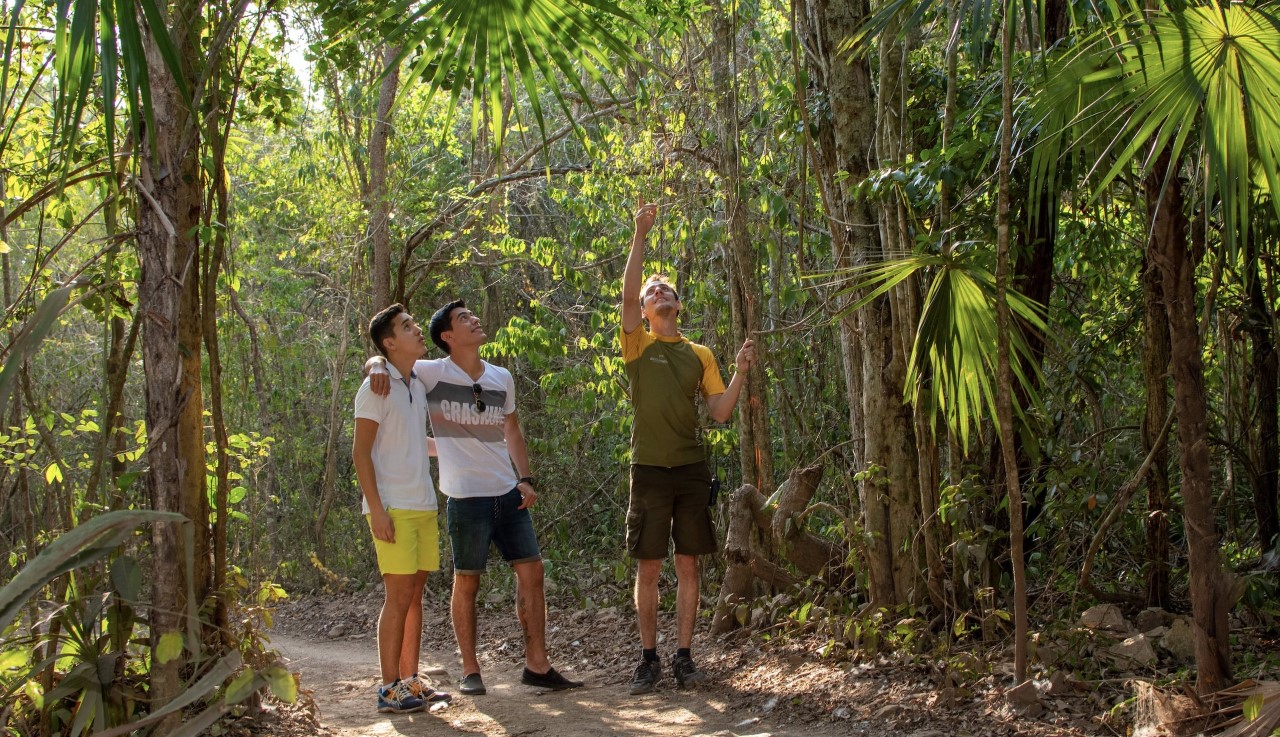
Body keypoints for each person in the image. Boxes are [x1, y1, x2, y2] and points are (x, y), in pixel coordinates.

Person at [369, 299, 583, 697]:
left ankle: (537, 664)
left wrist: (526, 478)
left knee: (532, 573)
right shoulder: (431, 373)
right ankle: (471, 669)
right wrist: (375, 364)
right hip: (465, 498)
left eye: (472, 315)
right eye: (464, 319)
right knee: (467, 581)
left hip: (508, 492)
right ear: (448, 337)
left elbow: (513, 431)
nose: (475, 320)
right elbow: (386, 361)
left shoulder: (501, 377)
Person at [621, 199, 754, 694]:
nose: (658, 293)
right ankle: (648, 658)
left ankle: (684, 656)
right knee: (649, 565)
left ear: (678, 306)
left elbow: (719, 413)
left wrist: (740, 373)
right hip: (650, 468)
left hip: (691, 469)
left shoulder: (700, 355)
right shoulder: (637, 343)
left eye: (666, 289)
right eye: (653, 291)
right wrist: (640, 236)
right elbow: (630, 295)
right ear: (646, 311)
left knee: (688, 562)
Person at [353, 303, 452, 713]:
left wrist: (463, 448)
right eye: (407, 326)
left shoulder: (416, 384)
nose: (416, 330)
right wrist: (376, 510)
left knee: (415, 597)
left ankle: (410, 681)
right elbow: (361, 454)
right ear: (390, 343)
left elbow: (415, 444)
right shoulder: (375, 386)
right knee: (397, 597)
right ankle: (388, 687)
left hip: (423, 504)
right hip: (393, 507)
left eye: (414, 323)